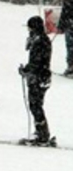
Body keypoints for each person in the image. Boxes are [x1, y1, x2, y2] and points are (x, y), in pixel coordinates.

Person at [19, 16, 54, 145]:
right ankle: (41, 131)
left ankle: (43, 134)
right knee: (36, 105)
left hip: (39, 77)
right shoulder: (40, 39)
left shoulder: (40, 41)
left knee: (35, 105)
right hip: (41, 76)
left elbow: (37, 61)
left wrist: (27, 70)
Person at [56, 0, 73, 76]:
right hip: (70, 25)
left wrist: (61, 26)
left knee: (70, 46)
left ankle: (71, 66)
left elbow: (65, 13)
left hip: (70, 26)